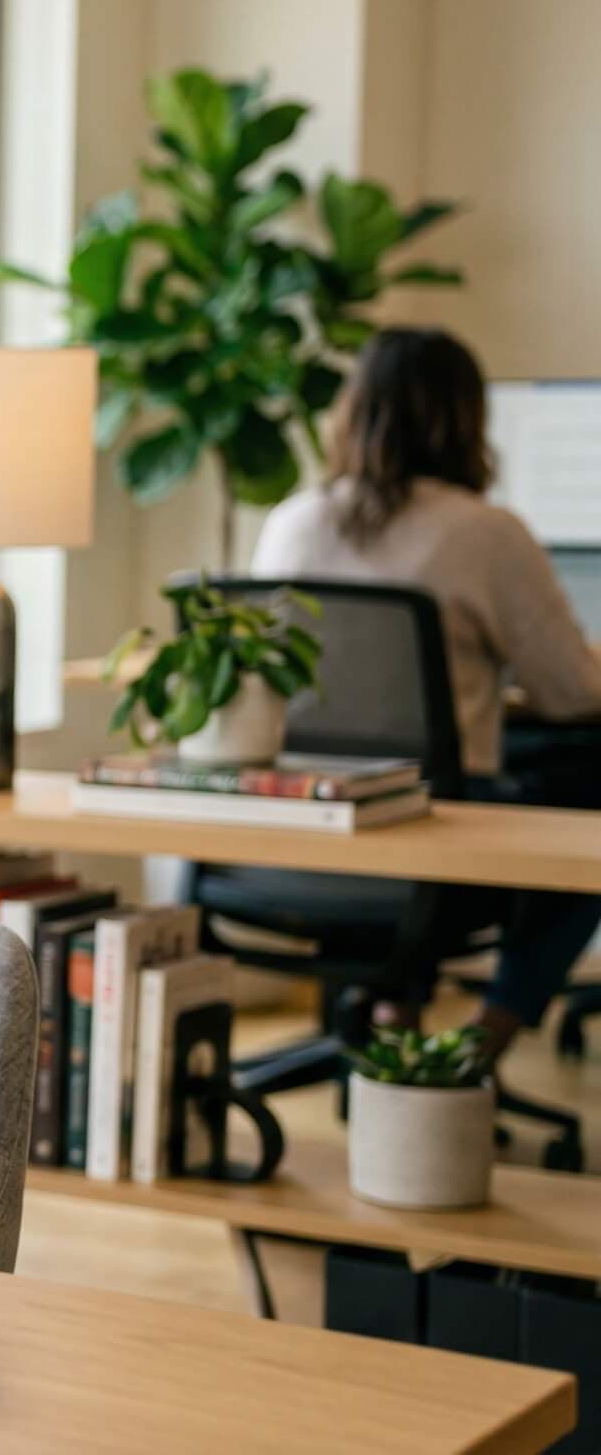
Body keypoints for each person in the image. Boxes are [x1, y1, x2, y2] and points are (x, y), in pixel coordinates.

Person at [252, 326, 601, 1067]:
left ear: (352, 413)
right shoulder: (485, 533)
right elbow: (571, 693)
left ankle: (395, 1023)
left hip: (296, 841)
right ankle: (477, 1046)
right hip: (433, 852)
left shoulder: (289, 523)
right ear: (463, 420)